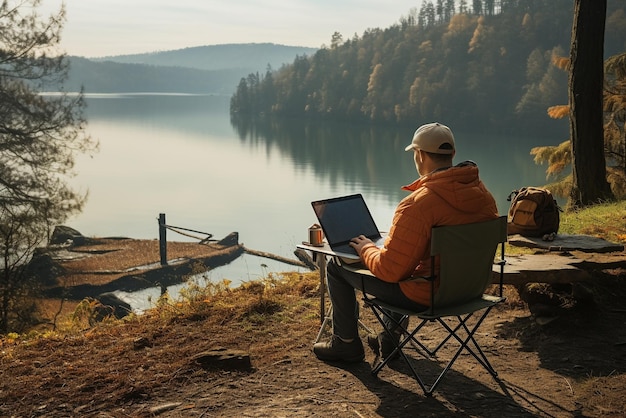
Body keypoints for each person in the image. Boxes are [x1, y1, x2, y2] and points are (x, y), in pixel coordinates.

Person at [313, 122, 499, 363]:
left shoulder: (417, 204)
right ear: (452, 154)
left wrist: (366, 248)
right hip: (472, 288)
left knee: (337, 267)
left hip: (431, 296)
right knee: (405, 263)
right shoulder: (484, 195)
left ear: (419, 155)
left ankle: (346, 343)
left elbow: (390, 271)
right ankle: (389, 339)